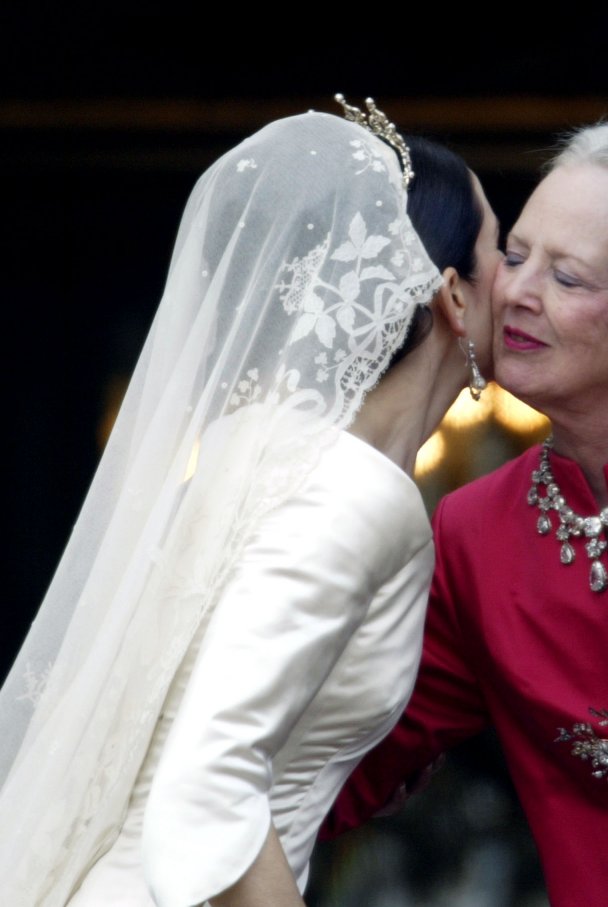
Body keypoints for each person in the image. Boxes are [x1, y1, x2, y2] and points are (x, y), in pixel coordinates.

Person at [0, 100, 501, 906]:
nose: (525, 281)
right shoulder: (362, 491)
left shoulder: (255, 449)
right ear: (452, 294)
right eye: (502, 252)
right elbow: (208, 784)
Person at [323, 108, 608, 907]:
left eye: (567, 276)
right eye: (515, 255)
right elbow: (353, 757)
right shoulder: (471, 525)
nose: (515, 292)